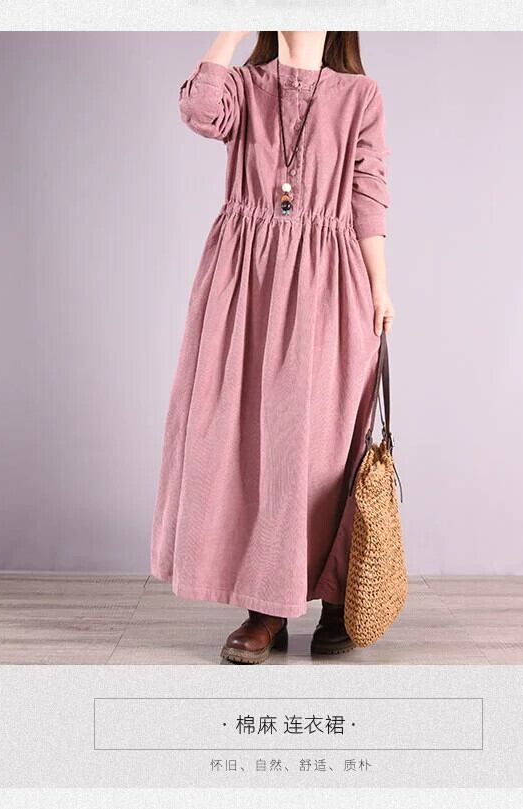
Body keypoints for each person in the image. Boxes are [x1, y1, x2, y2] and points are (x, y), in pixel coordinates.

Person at [150, 31, 394, 664]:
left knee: (322, 448)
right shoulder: (243, 86)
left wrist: (380, 289)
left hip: (329, 280)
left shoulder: (360, 95)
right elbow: (199, 110)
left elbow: (368, 192)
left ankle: (336, 593)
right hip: (246, 279)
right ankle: (267, 606)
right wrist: (233, 25)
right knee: (251, 441)